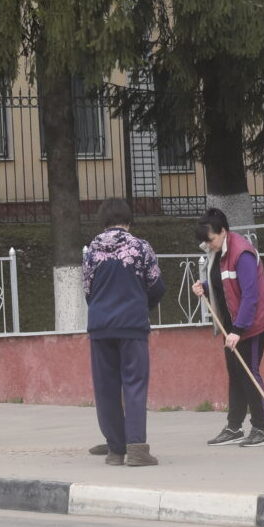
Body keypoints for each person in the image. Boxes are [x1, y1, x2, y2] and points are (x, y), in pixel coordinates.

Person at [83, 198, 167, 466]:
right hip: (132, 325)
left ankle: (115, 451)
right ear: (128, 221)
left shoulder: (91, 250)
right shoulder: (140, 247)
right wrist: (142, 305)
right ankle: (137, 449)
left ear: (103, 222)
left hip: (100, 327)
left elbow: (88, 291)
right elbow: (156, 286)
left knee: (105, 388)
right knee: (134, 384)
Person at [192, 207, 264, 446]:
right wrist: (204, 288)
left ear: (223, 231)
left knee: (248, 371)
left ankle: (260, 429)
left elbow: (250, 295)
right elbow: (223, 284)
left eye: (210, 239)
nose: (208, 245)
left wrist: (239, 330)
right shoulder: (217, 251)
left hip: (253, 321)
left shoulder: (242, 253)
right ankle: (234, 427)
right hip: (232, 321)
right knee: (235, 371)